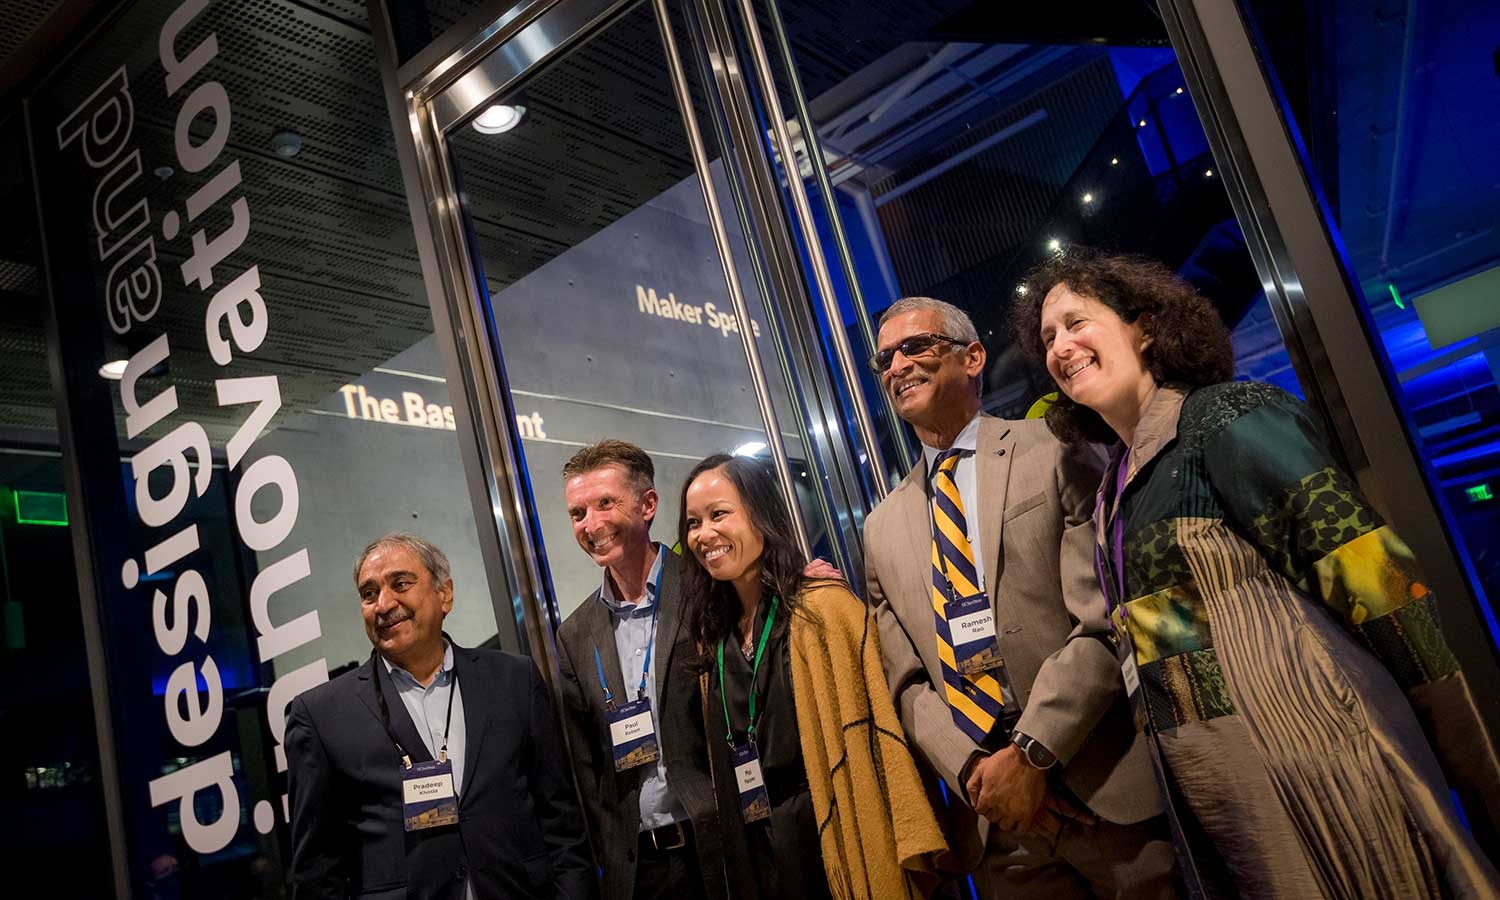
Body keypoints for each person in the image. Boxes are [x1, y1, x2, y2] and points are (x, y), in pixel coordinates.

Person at [1015, 247, 1500, 898]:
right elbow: (1184, 655)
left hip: (1328, 777)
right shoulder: (1114, 494)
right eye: (1048, 337)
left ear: (1146, 327)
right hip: (1236, 810)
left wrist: (1472, 759)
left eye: (1077, 321)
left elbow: (1377, 582)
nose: (1061, 346)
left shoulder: (1228, 416)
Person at [863, 295, 1178, 899]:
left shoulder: (1054, 448)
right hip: (998, 829)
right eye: (885, 358)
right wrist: (979, 773)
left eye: (916, 346)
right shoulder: (880, 528)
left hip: (1099, 784)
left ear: (973, 357)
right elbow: (905, 684)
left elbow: (1103, 618)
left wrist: (1031, 756)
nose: (897, 365)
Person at [679, 453, 948, 900]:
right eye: (692, 522)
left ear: (761, 514)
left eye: (719, 514)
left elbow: (878, 743)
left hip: (832, 834)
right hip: (758, 846)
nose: (704, 534)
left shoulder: (822, 609)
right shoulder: (714, 637)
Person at [285, 533, 596, 900]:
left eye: (400, 584)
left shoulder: (514, 680)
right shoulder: (321, 716)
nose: (384, 604)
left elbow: (560, 817)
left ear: (444, 594)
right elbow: (316, 869)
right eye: (369, 594)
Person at [553, 440, 726, 900]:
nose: (591, 525)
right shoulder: (574, 634)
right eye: (578, 513)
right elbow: (588, 769)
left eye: (604, 504)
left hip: (720, 847)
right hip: (637, 872)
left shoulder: (706, 588)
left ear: (648, 504)